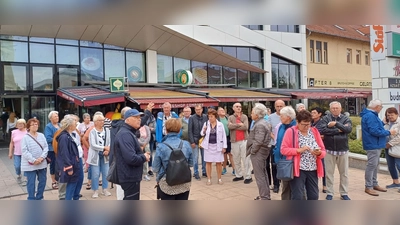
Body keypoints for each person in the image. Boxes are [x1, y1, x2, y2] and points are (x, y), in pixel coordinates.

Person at [281, 110, 326, 200]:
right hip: (298, 169)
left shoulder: (314, 131)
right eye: (304, 124)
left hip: (313, 168)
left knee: (314, 196)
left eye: (308, 124)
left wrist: (319, 153)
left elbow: (323, 150)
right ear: (297, 122)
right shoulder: (291, 132)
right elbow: (283, 149)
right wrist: (298, 150)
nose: (306, 127)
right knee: (298, 195)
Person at [318, 101, 352, 200]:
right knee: (329, 173)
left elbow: (348, 129)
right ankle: (330, 192)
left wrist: (336, 124)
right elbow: (323, 130)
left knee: (344, 173)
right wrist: (339, 130)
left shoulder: (346, 118)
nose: (335, 110)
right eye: (333, 108)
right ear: (330, 109)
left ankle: (344, 193)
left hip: (343, 150)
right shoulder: (325, 118)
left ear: (340, 109)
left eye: (337, 108)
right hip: (329, 150)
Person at [361, 99, 395, 196]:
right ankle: (368, 186)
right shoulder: (371, 116)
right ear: (377, 107)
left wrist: (382, 123)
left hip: (375, 144)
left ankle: (374, 184)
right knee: (372, 166)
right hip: (373, 144)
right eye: (381, 107)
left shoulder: (371, 115)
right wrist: (389, 132)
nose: (381, 108)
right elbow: (374, 131)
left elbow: (375, 127)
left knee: (375, 165)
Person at [114, 109, 150, 200]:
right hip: (129, 176)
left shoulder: (129, 132)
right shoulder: (125, 134)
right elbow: (131, 158)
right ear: (128, 120)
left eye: (139, 117)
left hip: (131, 176)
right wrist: (144, 157)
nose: (139, 120)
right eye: (136, 117)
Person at [153, 118, 193, 200]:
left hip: (167, 184)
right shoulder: (186, 144)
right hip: (184, 182)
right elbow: (191, 163)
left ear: (166, 130)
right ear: (179, 130)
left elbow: (155, 168)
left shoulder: (161, 146)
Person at [246, 103, 272, 200]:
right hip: (262, 151)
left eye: (252, 112)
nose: (251, 114)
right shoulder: (262, 122)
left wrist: (253, 151)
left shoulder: (260, 124)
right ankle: (265, 195)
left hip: (259, 152)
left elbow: (259, 140)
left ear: (257, 114)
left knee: (260, 176)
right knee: (263, 174)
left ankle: (264, 197)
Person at [57, 116, 84, 200]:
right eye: (74, 124)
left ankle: (75, 198)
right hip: (71, 163)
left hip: (77, 161)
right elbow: (64, 153)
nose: (76, 125)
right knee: (72, 183)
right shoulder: (64, 137)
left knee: (79, 180)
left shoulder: (71, 134)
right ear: (69, 126)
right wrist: (68, 167)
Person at [273, 106, 297, 200]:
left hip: (292, 162)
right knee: (285, 187)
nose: (280, 117)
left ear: (288, 117)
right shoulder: (280, 126)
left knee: (296, 187)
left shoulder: (296, 128)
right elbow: (277, 142)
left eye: (282, 116)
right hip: (282, 162)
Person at [21, 118, 48, 200]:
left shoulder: (41, 135)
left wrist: (41, 157)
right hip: (30, 164)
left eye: (36, 124)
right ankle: (31, 198)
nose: (35, 126)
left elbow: (46, 147)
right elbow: (24, 151)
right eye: (33, 124)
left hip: (42, 162)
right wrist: (33, 160)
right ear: (28, 127)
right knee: (31, 182)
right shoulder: (25, 137)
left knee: (43, 181)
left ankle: (39, 197)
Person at [200, 108, 227, 185]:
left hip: (218, 146)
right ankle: (209, 179)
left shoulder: (220, 125)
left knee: (219, 162)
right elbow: (201, 134)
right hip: (208, 146)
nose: (210, 118)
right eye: (209, 116)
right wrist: (204, 130)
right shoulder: (206, 124)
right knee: (208, 162)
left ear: (215, 116)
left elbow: (224, 136)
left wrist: (224, 147)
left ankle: (219, 178)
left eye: (211, 116)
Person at [109, 106, 131, 200]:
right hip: (121, 158)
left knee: (120, 185)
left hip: (115, 157)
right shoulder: (124, 127)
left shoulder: (114, 126)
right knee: (124, 186)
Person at [88, 114, 111, 198]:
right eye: (100, 120)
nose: (102, 122)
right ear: (95, 122)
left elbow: (110, 142)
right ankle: (95, 190)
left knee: (106, 172)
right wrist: (104, 147)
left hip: (105, 155)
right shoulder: (92, 132)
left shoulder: (107, 130)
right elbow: (93, 145)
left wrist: (107, 149)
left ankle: (105, 189)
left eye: (103, 120)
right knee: (95, 174)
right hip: (95, 156)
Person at [228, 102, 252, 184]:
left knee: (246, 158)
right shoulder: (230, 117)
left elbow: (245, 127)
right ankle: (239, 175)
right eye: (237, 106)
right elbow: (229, 127)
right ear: (233, 108)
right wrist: (239, 124)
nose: (239, 108)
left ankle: (248, 176)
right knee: (236, 158)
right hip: (234, 141)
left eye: (240, 107)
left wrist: (234, 125)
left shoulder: (244, 116)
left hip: (244, 140)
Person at [268, 100, 286, 192]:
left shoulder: (289, 117)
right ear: (275, 107)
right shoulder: (270, 117)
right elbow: (269, 130)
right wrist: (276, 138)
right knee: (274, 165)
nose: (279, 108)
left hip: (286, 146)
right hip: (274, 145)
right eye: (277, 106)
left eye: (281, 106)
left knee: (285, 165)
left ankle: (285, 183)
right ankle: (276, 184)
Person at [189, 104, 208, 180]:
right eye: (196, 110)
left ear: (202, 109)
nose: (198, 111)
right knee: (195, 157)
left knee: (204, 157)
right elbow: (190, 130)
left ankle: (204, 171)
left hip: (204, 139)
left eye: (199, 109)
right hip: (195, 140)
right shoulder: (192, 118)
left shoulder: (205, 117)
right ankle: (196, 172)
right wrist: (192, 141)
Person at [310, 107, 327, 193]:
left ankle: (325, 185)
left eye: (314, 112)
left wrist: (316, 136)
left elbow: (321, 134)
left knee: (323, 167)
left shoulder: (322, 123)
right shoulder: (311, 122)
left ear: (319, 114)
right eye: (311, 112)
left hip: (320, 148)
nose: (312, 114)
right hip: (311, 149)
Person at [383, 107, 400, 190]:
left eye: (392, 115)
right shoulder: (387, 123)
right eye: (388, 115)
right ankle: (396, 182)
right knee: (391, 166)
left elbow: (399, 137)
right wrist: (383, 123)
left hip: (397, 147)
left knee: (399, 165)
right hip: (387, 147)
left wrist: (390, 144)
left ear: (397, 114)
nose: (390, 117)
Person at [9, 119, 28, 185]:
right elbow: (11, 143)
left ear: (24, 124)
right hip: (17, 153)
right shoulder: (14, 132)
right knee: (17, 166)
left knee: (25, 166)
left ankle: (26, 178)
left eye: (22, 124)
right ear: (16, 125)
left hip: (25, 153)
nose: (20, 125)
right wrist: (10, 152)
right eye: (18, 124)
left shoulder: (27, 132)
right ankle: (18, 175)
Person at [44, 111, 60, 189]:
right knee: (53, 165)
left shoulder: (60, 125)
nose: (57, 117)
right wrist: (58, 139)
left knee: (60, 164)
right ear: (50, 118)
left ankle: (59, 179)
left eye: (57, 116)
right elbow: (48, 138)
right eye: (55, 116)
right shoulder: (48, 126)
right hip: (52, 149)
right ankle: (53, 181)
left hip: (61, 149)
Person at [218, 107, 235, 176]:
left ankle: (234, 169)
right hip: (221, 139)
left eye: (223, 110)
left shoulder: (227, 118)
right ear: (218, 113)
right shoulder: (217, 120)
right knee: (224, 154)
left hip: (228, 137)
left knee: (230, 154)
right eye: (221, 110)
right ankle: (224, 168)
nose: (223, 111)